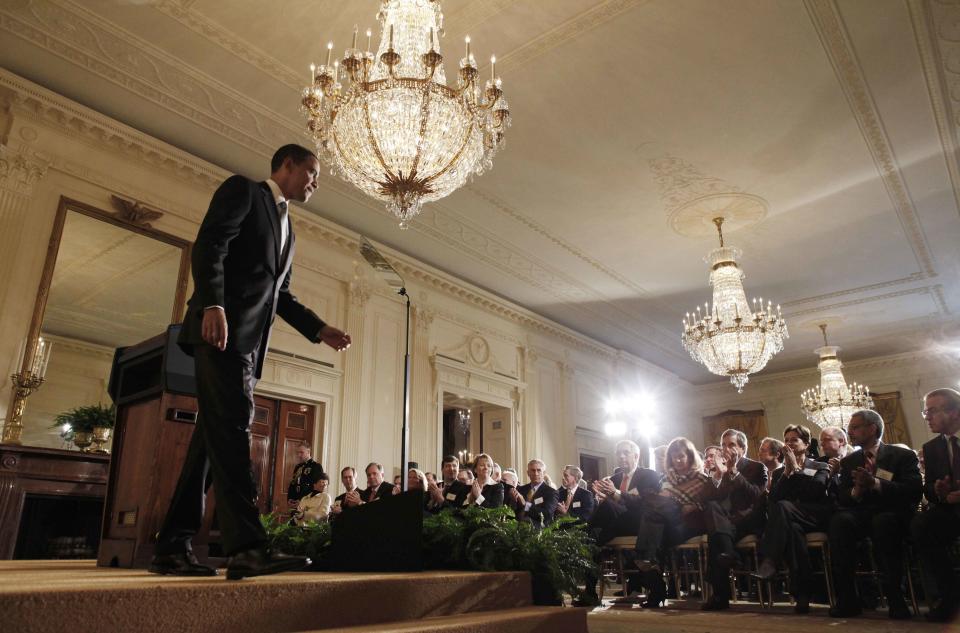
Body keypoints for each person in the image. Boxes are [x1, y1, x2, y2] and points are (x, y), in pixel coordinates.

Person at [150, 144, 351, 581]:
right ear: (288, 165)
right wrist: (212, 306)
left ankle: (171, 546)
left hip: (246, 349)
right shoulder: (244, 191)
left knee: (209, 445)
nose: (316, 182)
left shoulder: (289, 231)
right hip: (219, 335)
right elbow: (210, 246)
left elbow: (280, 296)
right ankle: (248, 548)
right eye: (312, 172)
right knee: (235, 432)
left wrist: (319, 330)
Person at [828, 409, 921, 619]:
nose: (849, 432)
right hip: (861, 514)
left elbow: (913, 491)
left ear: (872, 428)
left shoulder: (902, 456)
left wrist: (876, 483)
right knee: (840, 521)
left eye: (854, 427)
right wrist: (857, 490)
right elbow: (842, 498)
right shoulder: (849, 461)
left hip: (893, 513)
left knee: (883, 522)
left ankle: (896, 599)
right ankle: (849, 600)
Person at [754, 424, 831, 613]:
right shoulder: (780, 472)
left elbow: (815, 492)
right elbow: (772, 500)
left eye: (794, 440)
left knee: (784, 507)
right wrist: (787, 473)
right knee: (794, 533)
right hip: (790, 521)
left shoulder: (820, 466)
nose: (788, 444)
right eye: (786, 440)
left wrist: (796, 470)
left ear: (805, 444)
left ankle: (770, 560)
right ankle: (802, 596)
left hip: (815, 516)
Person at [631, 437, 712, 608]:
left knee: (654, 505)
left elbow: (706, 504)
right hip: (667, 526)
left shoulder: (702, 478)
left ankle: (646, 564)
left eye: (682, 456)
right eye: (674, 457)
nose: (678, 460)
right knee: (655, 516)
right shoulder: (667, 479)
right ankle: (652, 572)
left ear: (690, 456)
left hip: (689, 525)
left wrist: (685, 503)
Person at [700, 429, 768, 611]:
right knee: (713, 512)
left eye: (731, 444)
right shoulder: (719, 468)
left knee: (717, 538)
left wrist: (735, 473)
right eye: (723, 445)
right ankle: (729, 554)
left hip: (747, 520)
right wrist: (718, 475)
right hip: (726, 522)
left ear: (742, 448)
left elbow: (756, 496)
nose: (726, 448)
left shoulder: (757, 467)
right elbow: (707, 498)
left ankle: (720, 597)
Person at [911, 388, 960, 622]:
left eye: (932, 411)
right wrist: (939, 492)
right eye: (925, 411)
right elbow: (929, 488)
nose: (927, 416)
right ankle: (949, 597)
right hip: (950, 510)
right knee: (923, 525)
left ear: (953, 412)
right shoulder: (932, 448)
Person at [511, 459, 557, 527]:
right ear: (528, 473)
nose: (536, 473)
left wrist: (525, 504)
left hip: (539, 531)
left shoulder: (551, 492)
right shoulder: (520, 489)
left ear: (544, 473)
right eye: (533, 470)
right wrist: (513, 501)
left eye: (539, 470)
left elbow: (547, 514)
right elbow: (513, 511)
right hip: (518, 529)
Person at [287, 442, 323, 509]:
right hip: (295, 504)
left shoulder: (316, 467)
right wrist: (290, 498)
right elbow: (293, 484)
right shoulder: (298, 467)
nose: (299, 455)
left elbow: (317, 488)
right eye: (298, 453)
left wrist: (302, 501)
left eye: (301, 452)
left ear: (308, 452)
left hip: (308, 505)